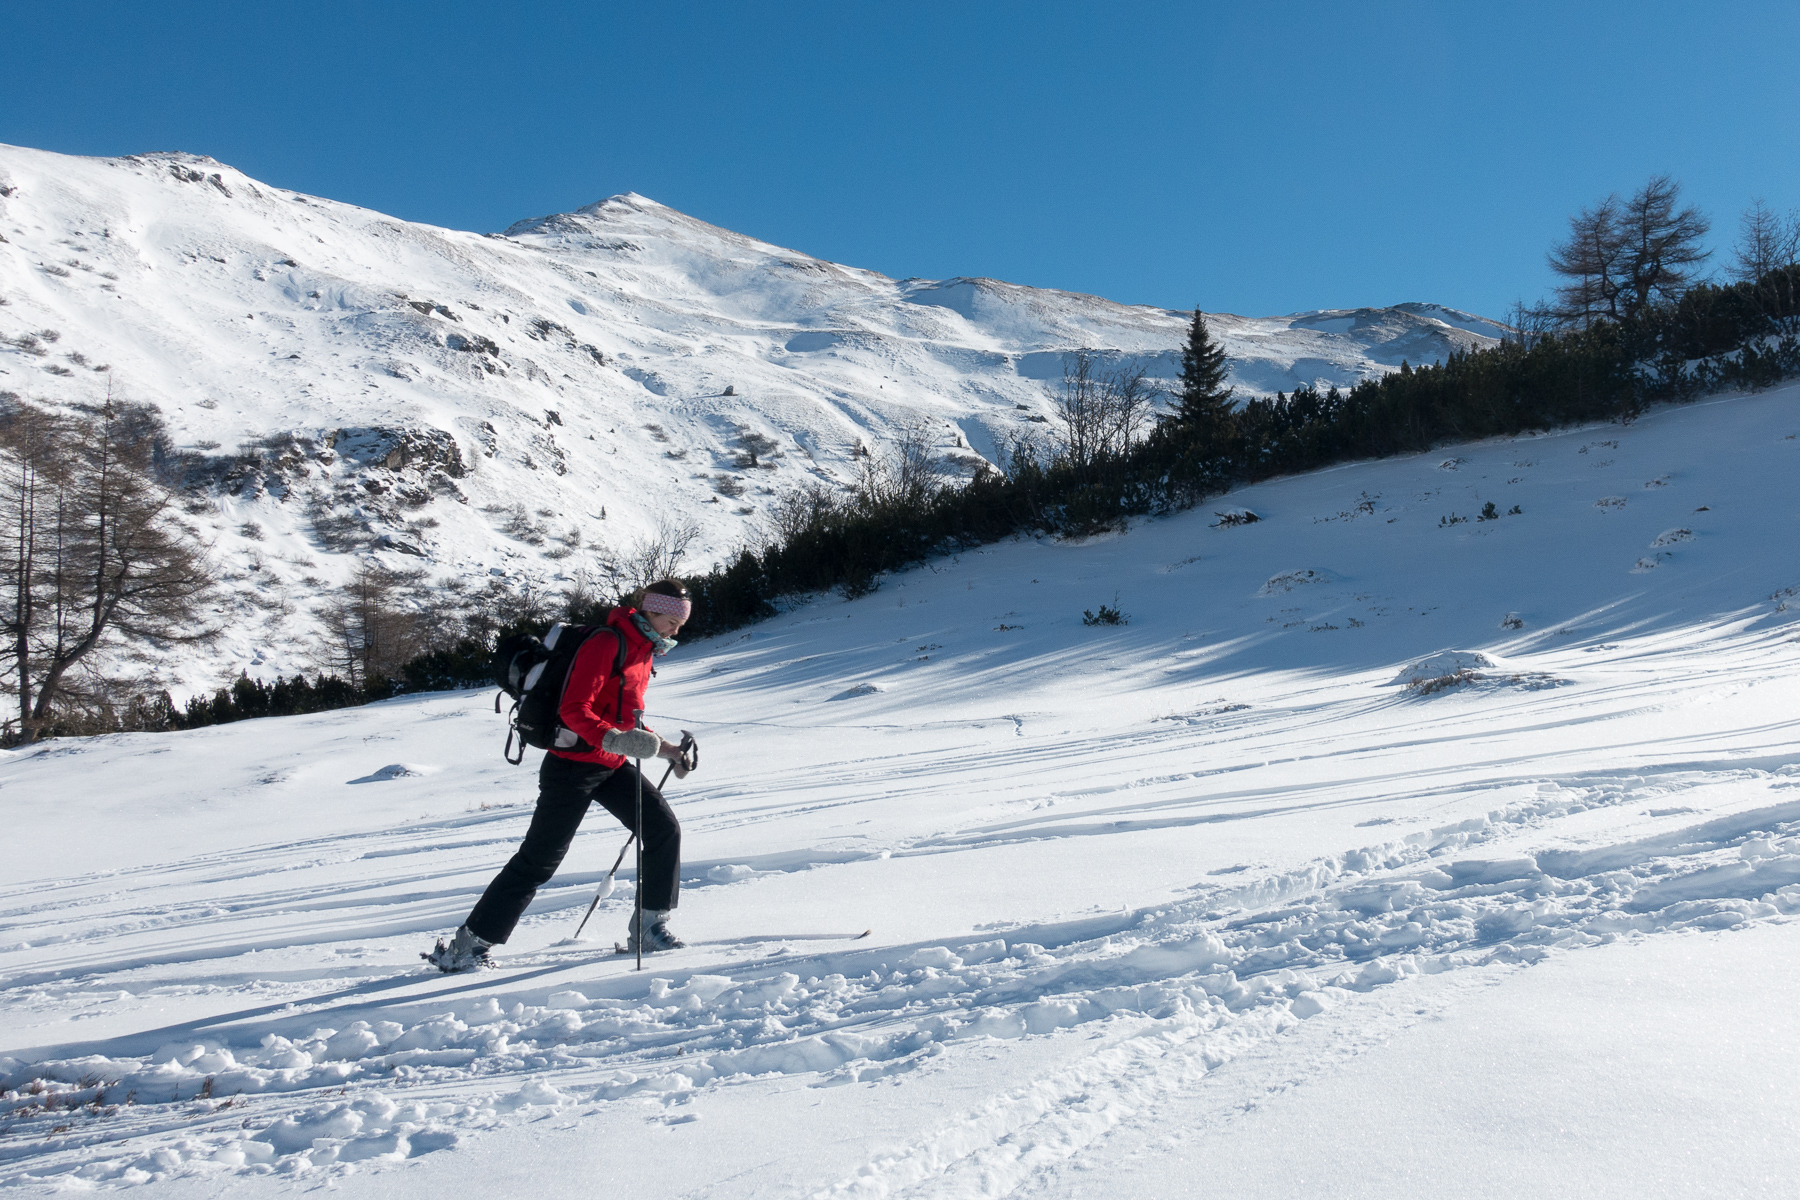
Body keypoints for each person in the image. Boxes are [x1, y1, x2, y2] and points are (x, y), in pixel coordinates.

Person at [428, 579, 694, 971]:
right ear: (648, 610)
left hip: (610, 765)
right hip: (571, 766)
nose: (674, 631)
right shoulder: (608, 643)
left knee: (662, 829)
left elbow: (624, 720)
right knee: (540, 859)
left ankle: (650, 928)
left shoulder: (642, 651)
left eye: (679, 624)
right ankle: (467, 946)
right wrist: (616, 740)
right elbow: (574, 709)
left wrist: (669, 751)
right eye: (670, 621)